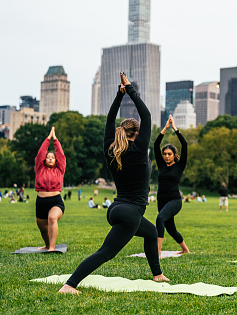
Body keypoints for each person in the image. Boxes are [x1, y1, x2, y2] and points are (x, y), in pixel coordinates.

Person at [59, 72, 168, 294]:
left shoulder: (111, 149)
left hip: (117, 209)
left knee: (151, 231)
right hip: (130, 212)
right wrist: (130, 90)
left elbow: (109, 120)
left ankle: (157, 274)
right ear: (137, 134)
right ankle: (69, 285)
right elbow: (146, 115)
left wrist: (120, 96)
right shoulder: (138, 150)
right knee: (106, 253)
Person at [154, 114, 190, 257]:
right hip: (161, 200)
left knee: (160, 219)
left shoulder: (180, 166)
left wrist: (174, 128)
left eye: (169, 154)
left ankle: (157, 252)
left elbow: (185, 145)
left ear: (174, 155)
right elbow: (156, 144)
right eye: (165, 154)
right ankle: (185, 249)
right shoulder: (161, 165)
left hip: (174, 200)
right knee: (170, 228)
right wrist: (165, 128)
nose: (166, 156)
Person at [35, 126, 66, 252]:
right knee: (42, 227)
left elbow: (61, 154)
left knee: (52, 218)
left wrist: (55, 139)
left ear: (56, 160)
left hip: (55, 201)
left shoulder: (60, 169)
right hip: (40, 201)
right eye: (48, 157)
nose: (50, 158)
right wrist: (48, 138)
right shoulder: (39, 168)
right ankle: (47, 245)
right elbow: (40, 153)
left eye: (53, 157)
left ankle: (52, 248)